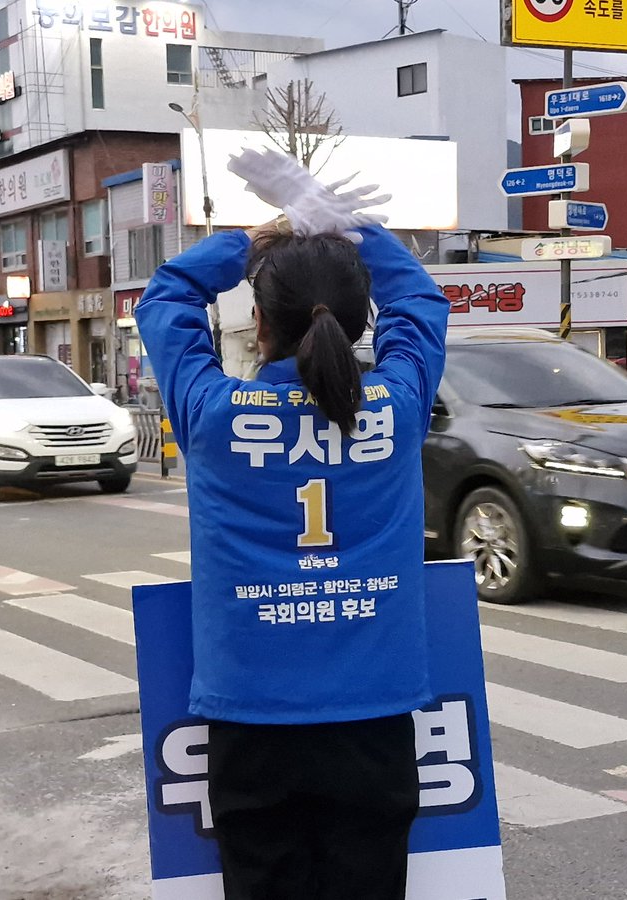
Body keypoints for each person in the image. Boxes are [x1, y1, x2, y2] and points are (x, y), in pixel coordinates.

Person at [135, 199, 448, 897]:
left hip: (252, 717)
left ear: (260, 323)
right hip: (374, 714)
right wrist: (356, 231)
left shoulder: (214, 415)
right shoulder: (396, 410)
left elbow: (166, 297)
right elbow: (423, 302)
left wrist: (250, 241)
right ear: (361, 322)